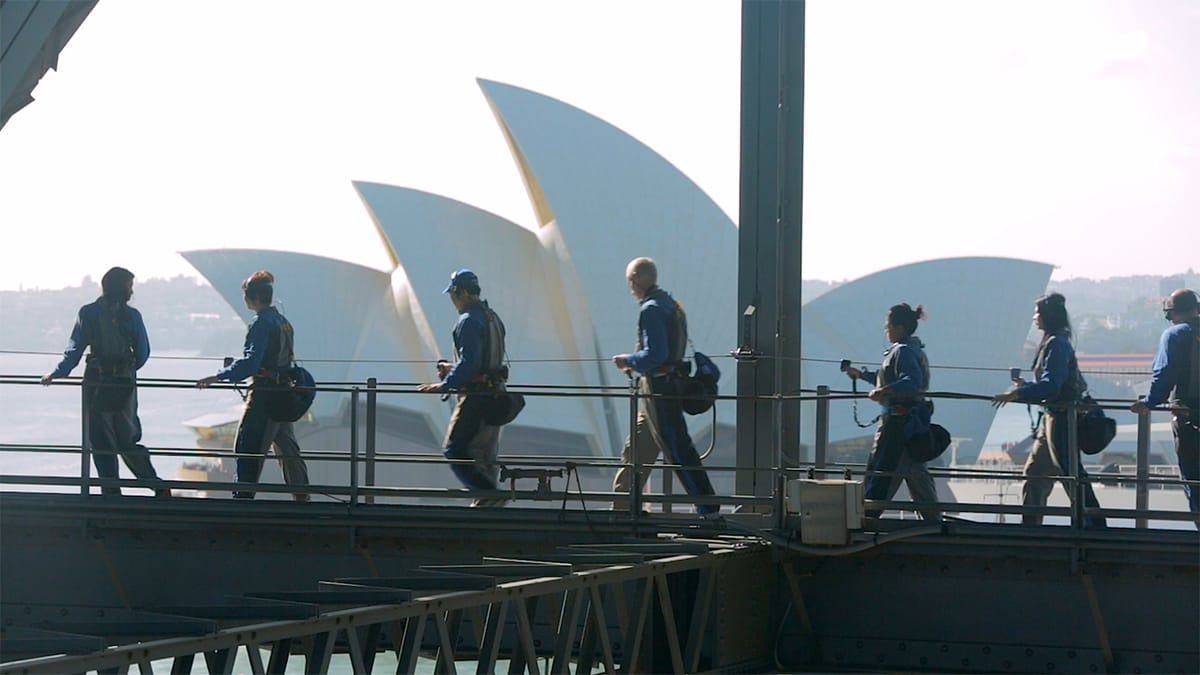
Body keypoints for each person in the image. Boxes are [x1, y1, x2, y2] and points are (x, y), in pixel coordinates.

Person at [41, 267, 169, 497]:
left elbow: (74, 349)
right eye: (129, 287)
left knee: (100, 441)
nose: (131, 292)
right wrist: (126, 371)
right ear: (122, 288)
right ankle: (156, 485)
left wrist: (58, 374)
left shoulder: (88, 313)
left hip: (96, 382)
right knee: (127, 438)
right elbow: (143, 352)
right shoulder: (132, 316)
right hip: (124, 383)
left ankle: (111, 493)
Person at [610, 257, 718, 517]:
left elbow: (656, 355)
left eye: (629, 282)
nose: (630, 288)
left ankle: (708, 510)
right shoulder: (671, 304)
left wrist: (628, 360)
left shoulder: (651, 309)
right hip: (665, 388)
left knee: (678, 448)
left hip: (659, 392)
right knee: (636, 450)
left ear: (636, 279)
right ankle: (622, 510)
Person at [993, 292, 1105, 528]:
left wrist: (1017, 393)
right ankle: (1031, 527)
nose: (1034, 318)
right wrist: (1027, 387)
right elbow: (1053, 383)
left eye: (1037, 313)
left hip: (1061, 418)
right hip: (1052, 417)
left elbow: (1052, 384)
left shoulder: (1056, 344)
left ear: (1046, 317)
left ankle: (1095, 526)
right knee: (1036, 473)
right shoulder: (1056, 341)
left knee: (1070, 473)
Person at [197, 271, 310, 501]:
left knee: (247, 446)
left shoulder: (261, 323)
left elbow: (251, 362)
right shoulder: (283, 321)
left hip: (264, 395)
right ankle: (303, 499)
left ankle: (243, 499)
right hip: (284, 392)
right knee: (288, 450)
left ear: (253, 297)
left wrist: (218, 376)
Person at [417, 269, 511, 507]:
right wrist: (453, 368)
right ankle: (489, 506)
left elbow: (470, 363)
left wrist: (445, 385)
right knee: (484, 455)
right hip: (496, 393)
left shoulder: (468, 320)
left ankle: (490, 496)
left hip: (477, 397)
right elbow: (484, 360)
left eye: (453, 294)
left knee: (455, 450)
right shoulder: (492, 317)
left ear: (461, 292)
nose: (452, 300)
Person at [843, 303, 942, 522]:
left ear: (900, 327)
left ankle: (868, 518)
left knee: (883, 471)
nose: (885, 330)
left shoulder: (902, 351)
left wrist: (883, 391)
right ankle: (935, 524)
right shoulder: (911, 350)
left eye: (888, 325)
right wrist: (861, 375)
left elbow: (910, 381)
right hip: (912, 423)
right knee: (916, 473)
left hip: (898, 424)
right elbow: (891, 376)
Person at [1131, 288, 1199, 516]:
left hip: (1189, 419)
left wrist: (1149, 402)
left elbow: (1165, 375)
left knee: (1194, 479)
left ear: (1171, 313)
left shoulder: (1175, 335)